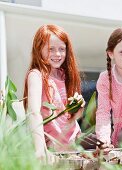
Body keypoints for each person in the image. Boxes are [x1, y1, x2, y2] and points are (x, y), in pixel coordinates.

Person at [23, 24, 84, 160]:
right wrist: (39, 149)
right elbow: (34, 112)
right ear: (39, 49)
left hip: (74, 145)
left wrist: (77, 113)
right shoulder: (36, 75)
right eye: (51, 49)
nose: (57, 54)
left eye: (62, 49)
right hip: (53, 150)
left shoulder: (65, 76)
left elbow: (69, 120)